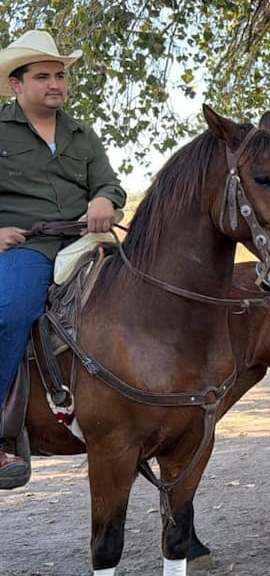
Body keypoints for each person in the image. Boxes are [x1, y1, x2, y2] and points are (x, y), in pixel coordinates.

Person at [0, 30, 126, 488]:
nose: (55, 84)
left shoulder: (81, 134)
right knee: (13, 311)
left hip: (83, 242)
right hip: (28, 246)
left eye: (60, 75)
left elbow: (110, 185)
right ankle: (2, 435)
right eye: (43, 76)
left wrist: (104, 202)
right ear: (17, 85)